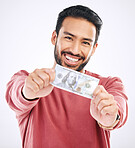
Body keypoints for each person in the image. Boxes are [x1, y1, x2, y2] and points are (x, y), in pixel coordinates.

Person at [6, 5, 128, 148]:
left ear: (94, 48)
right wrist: (27, 93)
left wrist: (111, 118)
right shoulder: (28, 81)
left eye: (85, 42)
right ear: (54, 37)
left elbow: (119, 109)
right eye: (69, 38)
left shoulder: (108, 86)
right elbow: (15, 95)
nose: (75, 50)